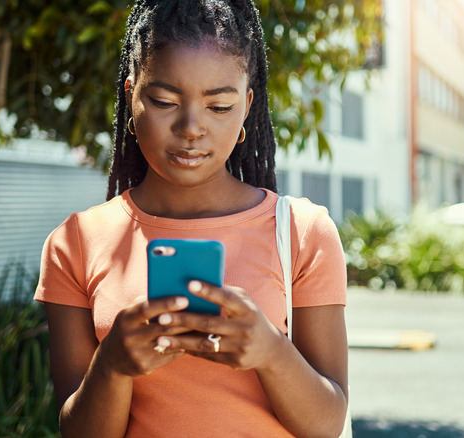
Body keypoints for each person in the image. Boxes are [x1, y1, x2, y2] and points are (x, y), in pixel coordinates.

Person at [34, 0, 349, 436]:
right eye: (164, 100)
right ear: (131, 97)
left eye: (219, 106)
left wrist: (272, 353)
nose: (191, 127)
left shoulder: (303, 231)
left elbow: (328, 425)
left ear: (246, 108)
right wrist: (112, 366)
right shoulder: (75, 242)